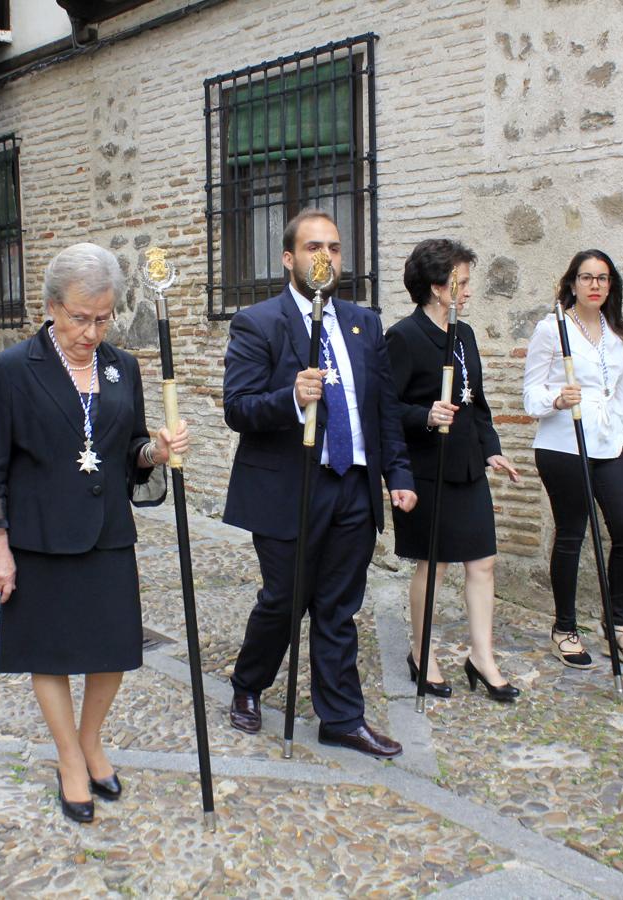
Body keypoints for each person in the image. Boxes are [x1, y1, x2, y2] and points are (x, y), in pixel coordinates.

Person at [0, 242, 188, 825]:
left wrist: (156, 451)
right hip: (40, 535)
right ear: (50, 307)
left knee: (111, 648)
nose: (92, 331)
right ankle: (69, 757)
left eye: (103, 317)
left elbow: (131, 452)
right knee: (50, 650)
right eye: (79, 317)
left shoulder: (124, 367)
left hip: (106, 531)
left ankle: (92, 740)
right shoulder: (12, 369)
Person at [222, 209, 417, 759]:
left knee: (338, 607)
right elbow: (237, 408)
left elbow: (382, 410)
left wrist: (397, 475)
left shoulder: (364, 322)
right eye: (312, 247)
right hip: (289, 486)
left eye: (333, 245)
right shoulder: (258, 323)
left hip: (352, 484)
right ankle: (249, 684)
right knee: (284, 599)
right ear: (289, 258)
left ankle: (341, 717)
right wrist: (291, 398)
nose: (324, 256)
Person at [385, 239, 523, 702]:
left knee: (482, 562)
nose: (467, 291)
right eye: (460, 282)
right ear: (435, 287)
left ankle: (482, 657)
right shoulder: (403, 336)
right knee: (436, 563)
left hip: (467, 467)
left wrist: (491, 449)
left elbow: (475, 402)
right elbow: (385, 408)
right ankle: (421, 652)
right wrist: (425, 414)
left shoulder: (463, 335)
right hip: (425, 467)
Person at [522, 249, 623, 669]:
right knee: (573, 534)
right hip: (564, 444)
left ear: (610, 285)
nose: (595, 285)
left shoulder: (616, 334)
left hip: (611, 444)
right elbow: (530, 395)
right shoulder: (552, 329)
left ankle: (616, 624)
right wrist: (557, 398)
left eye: (603, 278)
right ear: (572, 283)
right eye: (586, 277)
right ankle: (565, 628)